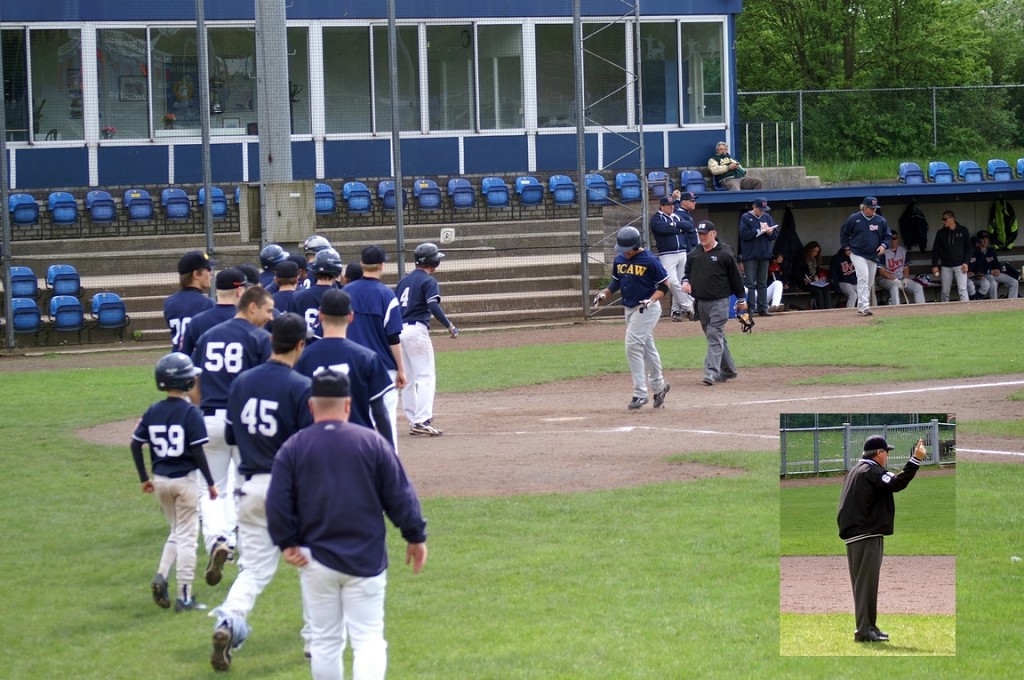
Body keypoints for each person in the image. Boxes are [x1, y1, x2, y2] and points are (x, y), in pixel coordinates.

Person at [266, 370, 428, 680]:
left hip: (314, 557)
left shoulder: (294, 447)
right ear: (348, 404)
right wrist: (415, 536)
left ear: (311, 405)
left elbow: (277, 502)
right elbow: (400, 496)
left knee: (325, 643)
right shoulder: (371, 442)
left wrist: (286, 542)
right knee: (368, 640)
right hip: (366, 557)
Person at [209, 313, 313, 672]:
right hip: (290, 488)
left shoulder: (241, 382)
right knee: (310, 565)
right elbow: (309, 446)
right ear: (300, 345)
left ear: (270, 341)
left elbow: (232, 435)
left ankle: (228, 621)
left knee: (253, 570)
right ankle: (314, 642)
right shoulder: (302, 386)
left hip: (250, 487)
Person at [190, 285, 274, 585]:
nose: (270, 316)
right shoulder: (260, 338)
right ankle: (245, 555)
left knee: (211, 489)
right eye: (267, 310)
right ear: (251, 306)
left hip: (210, 418)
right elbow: (266, 382)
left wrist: (203, 408)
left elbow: (193, 382)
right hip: (243, 421)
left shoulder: (209, 335)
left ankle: (218, 540)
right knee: (245, 487)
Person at [130, 352, 218, 613]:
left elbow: (135, 444)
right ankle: (184, 597)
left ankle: (161, 573)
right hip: (185, 481)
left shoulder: (153, 411)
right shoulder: (191, 412)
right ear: (187, 382)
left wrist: (144, 478)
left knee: (177, 531)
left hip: (161, 482)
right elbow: (198, 452)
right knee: (188, 538)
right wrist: (211, 482)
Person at [837, 436, 926, 643]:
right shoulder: (872, 471)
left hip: (856, 535)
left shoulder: (855, 471)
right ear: (879, 453)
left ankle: (869, 627)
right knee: (866, 585)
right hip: (865, 535)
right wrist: (915, 459)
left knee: (865, 585)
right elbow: (896, 482)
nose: (887, 456)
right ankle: (864, 631)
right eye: (886, 452)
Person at [294, 288, 396, 444]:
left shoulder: (302, 358)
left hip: (314, 444)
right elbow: (379, 412)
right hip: (357, 443)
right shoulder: (367, 358)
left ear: (320, 316)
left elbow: (296, 408)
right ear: (351, 317)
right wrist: (389, 450)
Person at [592, 226, 671, 410]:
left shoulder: (650, 260)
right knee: (647, 348)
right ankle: (659, 387)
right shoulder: (620, 259)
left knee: (633, 345)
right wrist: (604, 294)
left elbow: (665, 285)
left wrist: (651, 300)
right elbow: (616, 281)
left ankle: (640, 393)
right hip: (629, 308)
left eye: (627, 249)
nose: (624, 253)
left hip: (647, 308)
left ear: (636, 246)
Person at [344, 245, 408, 448]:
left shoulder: (345, 292)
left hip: (352, 367)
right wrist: (401, 369)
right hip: (382, 368)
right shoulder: (386, 295)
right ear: (381, 266)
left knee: (356, 421)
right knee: (386, 420)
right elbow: (393, 337)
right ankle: (389, 462)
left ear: (361, 264)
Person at [395, 243, 459, 436]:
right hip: (416, 331)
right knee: (426, 377)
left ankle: (414, 420)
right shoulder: (428, 281)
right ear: (433, 261)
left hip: (399, 331)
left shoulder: (403, 281)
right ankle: (422, 420)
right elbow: (433, 305)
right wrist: (449, 325)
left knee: (408, 379)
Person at [682, 220, 749, 386]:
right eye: (700, 234)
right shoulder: (694, 253)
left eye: (705, 234)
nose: (702, 237)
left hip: (720, 302)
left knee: (714, 333)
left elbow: (736, 278)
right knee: (716, 336)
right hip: (701, 302)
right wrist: (685, 282)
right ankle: (729, 370)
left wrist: (741, 299)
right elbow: (687, 273)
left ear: (714, 233)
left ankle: (710, 373)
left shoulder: (725, 253)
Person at [839, 197, 891, 316]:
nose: (873, 210)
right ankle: (864, 306)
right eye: (871, 208)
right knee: (863, 277)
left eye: (875, 208)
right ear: (865, 207)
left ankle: (862, 304)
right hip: (857, 253)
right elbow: (844, 232)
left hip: (873, 254)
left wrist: (883, 245)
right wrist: (846, 247)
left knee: (869, 281)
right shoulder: (854, 218)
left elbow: (887, 236)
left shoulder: (880, 220)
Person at [179, 267, 247, 357]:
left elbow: (185, 357)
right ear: (239, 291)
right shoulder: (247, 320)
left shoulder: (196, 321)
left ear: (217, 291)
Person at [649, 194, 694, 321]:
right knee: (672, 282)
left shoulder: (676, 216)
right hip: (667, 254)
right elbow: (663, 229)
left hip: (682, 252)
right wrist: (679, 228)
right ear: (661, 206)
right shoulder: (657, 218)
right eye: (668, 205)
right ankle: (689, 307)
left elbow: (689, 226)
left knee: (682, 282)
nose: (671, 207)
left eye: (672, 205)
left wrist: (675, 225)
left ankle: (676, 311)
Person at [164, 250, 215, 352]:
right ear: (196, 274)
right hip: (197, 357)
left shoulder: (170, 302)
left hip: (177, 357)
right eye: (208, 269)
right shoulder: (207, 303)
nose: (211, 273)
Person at [738, 197, 778, 316]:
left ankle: (763, 308)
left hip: (764, 254)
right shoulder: (745, 217)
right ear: (754, 207)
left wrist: (770, 231)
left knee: (762, 283)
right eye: (760, 209)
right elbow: (743, 234)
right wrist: (758, 231)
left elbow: (774, 235)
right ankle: (750, 308)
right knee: (750, 283)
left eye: (763, 209)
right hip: (750, 254)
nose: (762, 212)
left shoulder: (767, 217)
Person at [289, 248, 343, 334]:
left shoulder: (297, 296)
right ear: (338, 272)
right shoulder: (341, 299)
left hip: (302, 342)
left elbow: (290, 328)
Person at [930, 210, 971, 303]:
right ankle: (944, 310)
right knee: (945, 292)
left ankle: (966, 309)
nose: (943, 221)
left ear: (952, 218)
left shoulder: (963, 230)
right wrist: (934, 265)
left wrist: (966, 262)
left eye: (945, 219)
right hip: (946, 265)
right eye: (942, 219)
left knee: (963, 290)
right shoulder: (941, 233)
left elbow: (969, 248)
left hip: (960, 265)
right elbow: (936, 250)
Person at [877, 231, 926, 305]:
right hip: (885, 279)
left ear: (898, 239)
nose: (892, 240)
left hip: (901, 279)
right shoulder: (883, 251)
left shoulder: (903, 251)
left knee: (918, 287)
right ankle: (896, 308)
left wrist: (905, 279)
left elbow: (906, 268)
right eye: (890, 239)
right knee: (894, 287)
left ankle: (921, 308)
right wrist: (895, 280)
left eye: (894, 238)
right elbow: (882, 272)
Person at [970, 230, 1019, 300]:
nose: (985, 241)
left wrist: (998, 269)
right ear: (979, 240)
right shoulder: (976, 252)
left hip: (994, 273)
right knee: (993, 283)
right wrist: (989, 271)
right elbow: (977, 268)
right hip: (985, 274)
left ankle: (1012, 302)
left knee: (1014, 282)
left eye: (986, 239)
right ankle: (994, 302)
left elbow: (996, 263)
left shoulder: (990, 250)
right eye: (983, 239)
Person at [794, 241, 833, 310]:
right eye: (814, 251)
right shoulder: (801, 259)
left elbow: (816, 272)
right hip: (804, 283)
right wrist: (804, 279)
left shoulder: (815, 260)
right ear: (809, 250)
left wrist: (816, 276)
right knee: (818, 291)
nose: (815, 253)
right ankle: (821, 309)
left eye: (817, 252)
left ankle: (829, 309)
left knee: (826, 290)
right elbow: (796, 273)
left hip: (814, 282)